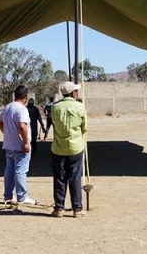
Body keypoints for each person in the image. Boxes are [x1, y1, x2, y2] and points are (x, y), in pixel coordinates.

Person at [50, 81, 88, 218]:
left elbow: (54, 125)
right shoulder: (79, 107)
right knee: (75, 178)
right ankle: (77, 209)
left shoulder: (55, 108)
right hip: (75, 148)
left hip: (58, 148)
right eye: (76, 91)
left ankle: (58, 208)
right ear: (73, 93)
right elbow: (84, 127)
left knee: (59, 178)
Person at [0, 85, 36, 205]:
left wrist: (6, 132)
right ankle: (22, 196)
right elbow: (22, 126)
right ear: (25, 97)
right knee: (20, 171)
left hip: (9, 145)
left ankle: (8, 196)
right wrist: (26, 142)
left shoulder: (8, 107)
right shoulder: (22, 109)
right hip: (19, 146)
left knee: (9, 171)